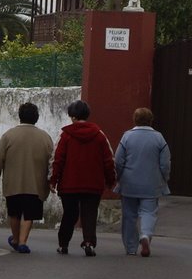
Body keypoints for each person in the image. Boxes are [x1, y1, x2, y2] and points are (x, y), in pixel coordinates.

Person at [49, 99, 115, 256]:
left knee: (70, 214)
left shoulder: (65, 136)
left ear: (72, 116)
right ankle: (89, 243)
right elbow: (108, 160)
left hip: (69, 183)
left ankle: (63, 244)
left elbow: (57, 160)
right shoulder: (99, 135)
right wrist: (110, 179)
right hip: (93, 183)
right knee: (90, 213)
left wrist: (53, 180)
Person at [0, 102, 54, 253]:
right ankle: (23, 241)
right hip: (36, 185)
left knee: (14, 213)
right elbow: (52, 161)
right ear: (36, 118)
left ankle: (16, 239)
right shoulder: (45, 137)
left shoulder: (8, 136)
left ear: (20, 116)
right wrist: (51, 181)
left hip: (13, 184)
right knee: (29, 214)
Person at [114, 107, 171, 257]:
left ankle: (131, 248)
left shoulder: (127, 137)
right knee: (149, 212)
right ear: (151, 120)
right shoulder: (159, 138)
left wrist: (119, 177)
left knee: (129, 215)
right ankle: (145, 235)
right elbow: (165, 163)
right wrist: (164, 178)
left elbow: (118, 161)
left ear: (134, 120)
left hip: (129, 183)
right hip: (151, 183)